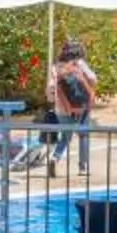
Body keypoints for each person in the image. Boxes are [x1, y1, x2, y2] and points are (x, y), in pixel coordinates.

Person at [45, 40, 97, 175]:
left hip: (62, 107)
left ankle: (55, 158)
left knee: (66, 136)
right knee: (83, 135)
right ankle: (83, 167)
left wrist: (56, 101)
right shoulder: (79, 63)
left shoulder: (55, 67)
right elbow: (93, 79)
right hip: (81, 106)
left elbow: (50, 89)